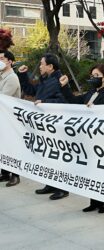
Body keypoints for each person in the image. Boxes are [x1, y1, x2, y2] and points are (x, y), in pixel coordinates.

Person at [59, 63, 104, 213]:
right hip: (89, 139)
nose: (93, 78)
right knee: (92, 171)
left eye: (97, 76)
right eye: (92, 76)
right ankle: (95, 201)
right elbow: (74, 101)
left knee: (103, 173)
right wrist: (65, 86)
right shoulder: (91, 92)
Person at [17, 53, 69, 200]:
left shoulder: (60, 80)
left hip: (56, 126)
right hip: (45, 125)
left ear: (50, 66)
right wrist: (23, 75)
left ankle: (62, 188)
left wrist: (44, 102)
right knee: (48, 156)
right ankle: (51, 184)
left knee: (58, 157)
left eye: (42, 64)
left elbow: (64, 102)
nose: (40, 66)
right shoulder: (45, 79)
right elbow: (31, 92)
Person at [0, 50, 21, 187]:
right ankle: (5, 172)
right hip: (3, 117)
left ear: (10, 62)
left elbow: (3, 97)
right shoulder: (2, 76)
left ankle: (15, 175)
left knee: (12, 147)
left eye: (2, 58)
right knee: (4, 146)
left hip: (11, 119)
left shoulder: (12, 78)